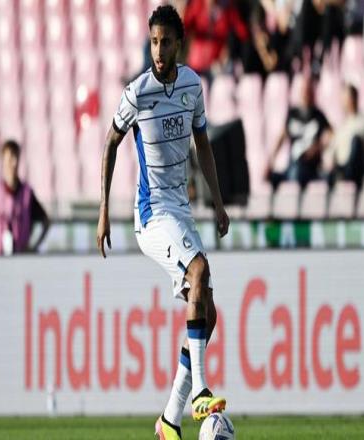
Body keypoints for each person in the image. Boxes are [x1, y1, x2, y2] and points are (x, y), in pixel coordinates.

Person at [96, 6, 230, 440]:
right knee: (199, 272)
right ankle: (200, 391)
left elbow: (203, 145)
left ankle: (169, 420)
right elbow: (110, 144)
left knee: (207, 313)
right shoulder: (137, 93)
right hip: (152, 213)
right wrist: (104, 210)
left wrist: (218, 203)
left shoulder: (192, 85)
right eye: (153, 41)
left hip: (181, 210)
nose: (158, 50)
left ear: (178, 45)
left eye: (165, 42)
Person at [0, 140, 50, 255]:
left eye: (16, 157)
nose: (14, 163)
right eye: (10, 158)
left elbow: (46, 221)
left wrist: (34, 246)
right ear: (3, 160)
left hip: (21, 256)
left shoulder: (27, 192)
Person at [266, 73, 332, 190]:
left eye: (308, 90)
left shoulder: (318, 115)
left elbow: (331, 135)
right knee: (271, 178)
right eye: (304, 90)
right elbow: (282, 136)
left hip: (310, 166)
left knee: (298, 173)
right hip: (293, 164)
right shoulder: (293, 113)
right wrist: (271, 161)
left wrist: (318, 147)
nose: (306, 94)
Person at [326, 83, 364, 188]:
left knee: (356, 141)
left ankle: (348, 177)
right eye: (343, 100)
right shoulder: (342, 125)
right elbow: (331, 151)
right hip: (342, 168)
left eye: (348, 99)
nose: (345, 103)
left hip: (360, 169)